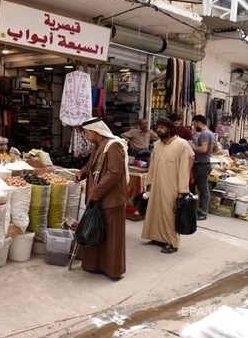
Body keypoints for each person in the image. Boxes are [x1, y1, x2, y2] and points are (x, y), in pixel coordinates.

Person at [73, 117, 129, 279]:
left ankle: (113, 270)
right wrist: (81, 174)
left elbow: (114, 172)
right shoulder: (98, 146)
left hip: (111, 199)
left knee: (111, 236)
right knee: (95, 230)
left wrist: (96, 191)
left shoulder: (114, 146)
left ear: (95, 132)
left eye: (87, 133)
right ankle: (94, 265)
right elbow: (90, 166)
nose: (86, 136)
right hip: (98, 197)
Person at [141, 118, 194, 254]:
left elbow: (185, 167)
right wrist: (149, 183)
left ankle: (172, 243)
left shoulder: (181, 144)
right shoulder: (157, 144)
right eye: (157, 127)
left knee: (169, 213)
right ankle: (158, 237)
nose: (158, 130)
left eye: (162, 128)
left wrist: (183, 190)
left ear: (169, 129)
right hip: (157, 184)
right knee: (155, 211)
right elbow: (152, 165)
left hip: (172, 185)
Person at [191, 114, 217, 220]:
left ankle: (203, 212)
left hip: (202, 165)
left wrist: (191, 148)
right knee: (202, 189)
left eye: (194, 124)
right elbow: (216, 149)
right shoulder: (211, 133)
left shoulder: (204, 134)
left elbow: (203, 149)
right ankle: (199, 209)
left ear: (199, 123)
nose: (193, 126)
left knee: (204, 189)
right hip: (204, 163)